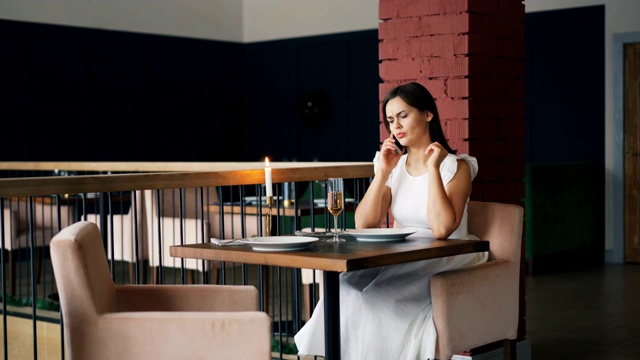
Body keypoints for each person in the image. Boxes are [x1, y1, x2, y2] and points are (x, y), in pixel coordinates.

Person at [294, 81, 488, 360]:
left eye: (404, 115)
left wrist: (432, 168)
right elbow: (364, 222)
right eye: (390, 119)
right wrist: (383, 173)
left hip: (446, 254)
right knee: (345, 287)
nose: (396, 125)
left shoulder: (456, 167)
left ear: (427, 114)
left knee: (375, 297)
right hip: (404, 255)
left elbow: (443, 228)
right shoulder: (395, 165)